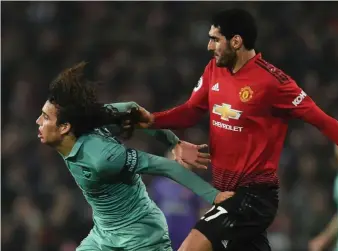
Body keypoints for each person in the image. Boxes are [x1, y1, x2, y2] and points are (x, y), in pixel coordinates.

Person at [135, 8, 338, 251]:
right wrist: (152, 120)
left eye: (215, 39)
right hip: (225, 191)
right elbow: (191, 110)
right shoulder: (214, 70)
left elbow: (326, 122)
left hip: (253, 197)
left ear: (236, 41)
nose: (209, 46)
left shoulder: (273, 83)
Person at [36, 61, 234, 251]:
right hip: (103, 235)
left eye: (45, 117)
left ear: (64, 127)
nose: (38, 121)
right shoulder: (88, 119)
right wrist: (174, 142)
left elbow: (166, 166)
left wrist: (214, 195)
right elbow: (132, 110)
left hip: (140, 237)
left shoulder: (103, 158)